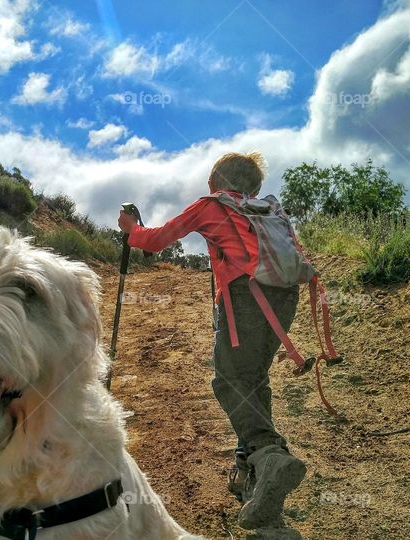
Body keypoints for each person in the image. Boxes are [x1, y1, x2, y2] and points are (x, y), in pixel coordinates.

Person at [117, 151, 307, 529]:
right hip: (284, 300)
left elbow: (157, 241)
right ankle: (250, 479)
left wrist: (131, 231)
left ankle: (268, 455)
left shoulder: (210, 206)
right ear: (253, 186)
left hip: (246, 298)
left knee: (228, 380)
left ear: (214, 181)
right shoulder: (267, 211)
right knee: (252, 379)